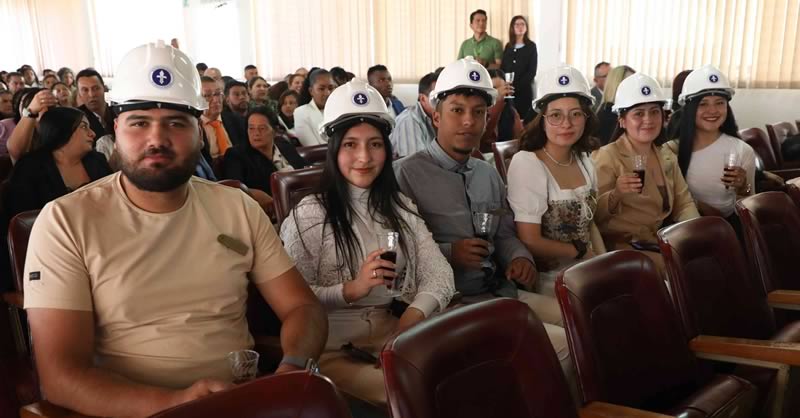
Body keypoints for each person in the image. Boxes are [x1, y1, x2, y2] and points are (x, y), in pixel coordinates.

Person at [22, 41, 327, 418]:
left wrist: (290, 371)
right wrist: (176, 404)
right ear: (116, 129)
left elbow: (302, 306)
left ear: (200, 132)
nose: (157, 139)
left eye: (175, 123)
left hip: (243, 401)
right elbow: (61, 376)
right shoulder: (65, 222)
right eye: (139, 123)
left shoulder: (236, 208)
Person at [394, 57, 573, 381]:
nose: (468, 122)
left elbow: (504, 233)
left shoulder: (486, 172)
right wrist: (451, 253)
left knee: (579, 324)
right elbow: (398, 251)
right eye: (457, 110)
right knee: (559, 350)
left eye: (478, 112)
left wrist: (520, 258)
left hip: (499, 291)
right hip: (449, 304)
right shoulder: (407, 174)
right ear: (436, 116)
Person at [281, 79, 454, 407]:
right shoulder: (311, 212)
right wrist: (352, 289)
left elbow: (439, 273)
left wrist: (407, 324)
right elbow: (294, 300)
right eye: (351, 145)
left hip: (398, 335)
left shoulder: (400, 206)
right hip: (334, 347)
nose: (364, 156)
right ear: (334, 149)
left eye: (375, 144)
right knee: (419, 395)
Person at [507, 66, 601, 297]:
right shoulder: (528, 163)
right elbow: (529, 239)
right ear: (543, 119)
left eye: (576, 114)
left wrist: (602, 261)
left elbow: (592, 224)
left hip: (588, 270)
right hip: (551, 281)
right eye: (556, 115)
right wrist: (580, 253)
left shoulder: (584, 159)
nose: (566, 124)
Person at [592, 73, 699, 273]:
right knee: (684, 271)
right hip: (623, 248)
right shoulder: (607, 156)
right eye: (639, 113)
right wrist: (616, 194)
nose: (648, 120)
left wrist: (695, 234)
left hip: (659, 242)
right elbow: (592, 216)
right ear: (622, 120)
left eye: (654, 112)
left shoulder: (665, 154)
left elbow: (684, 202)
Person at [664, 65, 754, 237]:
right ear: (689, 109)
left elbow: (748, 210)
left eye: (720, 103)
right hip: (682, 234)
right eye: (703, 104)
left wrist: (743, 187)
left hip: (727, 234)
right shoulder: (671, 150)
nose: (712, 110)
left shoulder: (742, 150)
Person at [3, 107, 110, 222]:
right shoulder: (30, 167)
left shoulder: (97, 160)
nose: (92, 133)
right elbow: (23, 219)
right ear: (62, 129)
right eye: (84, 127)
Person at [223, 106, 307, 207]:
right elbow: (235, 188)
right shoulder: (236, 155)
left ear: (275, 130)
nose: (256, 133)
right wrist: (253, 193)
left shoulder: (285, 146)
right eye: (251, 128)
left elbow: (304, 169)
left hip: (302, 201)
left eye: (262, 128)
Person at [389, 71, 438, 158]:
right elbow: (416, 166)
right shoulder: (409, 120)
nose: (444, 102)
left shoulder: (442, 117)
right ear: (422, 99)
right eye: (437, 97)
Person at [500, 15, 538, 117]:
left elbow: (531, 72)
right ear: (512, 28)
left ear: (526, 28)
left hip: (523, 91)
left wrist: (516, 86)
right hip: (507, 91)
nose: (520, 27)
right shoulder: (508, 46)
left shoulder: (531, 46)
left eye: (523, 24)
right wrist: (505, 85)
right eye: (517, 25)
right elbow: (503, 68)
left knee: (523, 120)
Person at [7, 88, 56, 162]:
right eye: (40, 109)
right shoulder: (24, 137)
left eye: (50, 108)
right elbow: (16, 152)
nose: (45, 111)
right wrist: (31, 111)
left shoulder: (60, 129)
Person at [480, 69, 522, 153]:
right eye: (494, 89)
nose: (500, 92)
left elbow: (520, 139)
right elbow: (482, 137)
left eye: (503, 88)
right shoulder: (479, 111)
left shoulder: (510, 111)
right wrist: (497, 103)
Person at [294, 69, 336, 146]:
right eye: (321, 89)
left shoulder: (341, 110)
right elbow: (312, 147)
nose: (327, 93)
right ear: (311, 91)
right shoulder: (301, 112)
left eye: (331, 88)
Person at [595, 65, 635, 145]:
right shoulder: (609, 114)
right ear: (615, 85)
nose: (635, 87)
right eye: (629, 83)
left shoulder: (611, 109)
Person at [76, 68, 115, 139]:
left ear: (104, 88)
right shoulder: (77, 120)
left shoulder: (118, 112)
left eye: (96, 88)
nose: (91, 94)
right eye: (85, 90)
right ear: (79, 94)